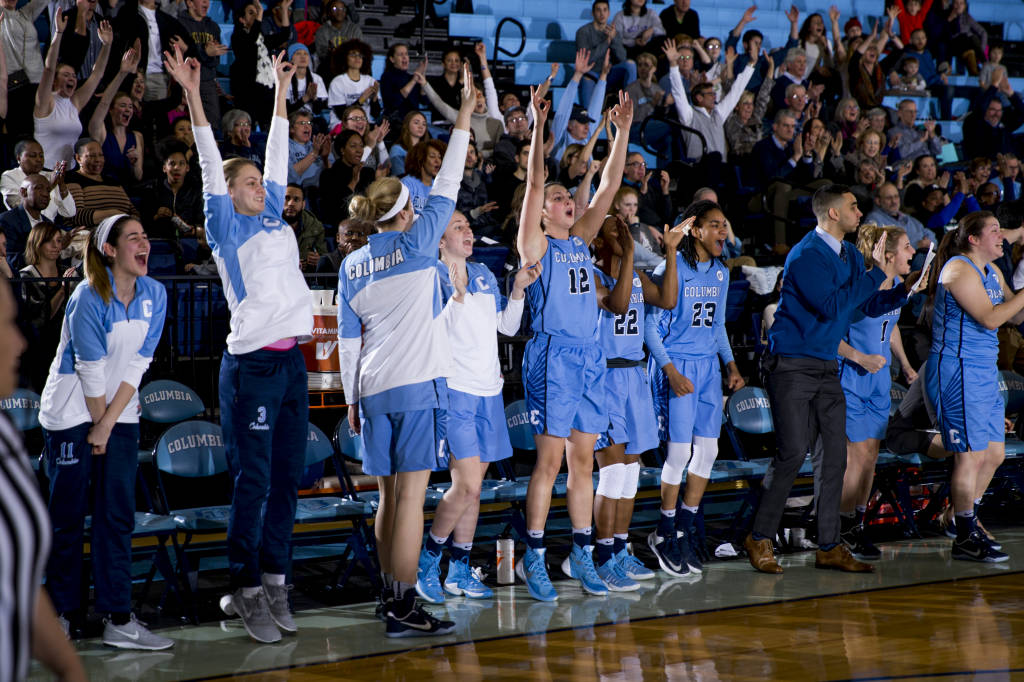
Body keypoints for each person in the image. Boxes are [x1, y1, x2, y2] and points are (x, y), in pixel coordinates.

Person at [165, 45, 313, 643]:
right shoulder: (226, 223)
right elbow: (208, 162)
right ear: (231, 194)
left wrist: (281, 92)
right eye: (249, 182)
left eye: (260, 181)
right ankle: (246, 588)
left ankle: (275, 581)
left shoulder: (275, 213)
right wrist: (195, 96)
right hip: (251, 367)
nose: (261, 186)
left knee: (287, 479)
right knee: (252, 484)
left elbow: (277, 156)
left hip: (292, 366)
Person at [337, 64, 475, 637]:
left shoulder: (351, 263)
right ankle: (402, 606)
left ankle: (386, 599)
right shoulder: (420, 241)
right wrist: (464, 114)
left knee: (389, 500)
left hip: (369, 390)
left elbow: (349, 338)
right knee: (412, 500)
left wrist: (349, 398)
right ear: (406, 213)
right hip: (415, 386)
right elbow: (450, 180)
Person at [745, 184, 921, 574]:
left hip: (825, 364)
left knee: (835, 458)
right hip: (791, 365)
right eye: (854, 207)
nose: (862, 213)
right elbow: (832, 307)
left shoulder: (848, 255)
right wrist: (877, 272)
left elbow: (858, 310)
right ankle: (759, 538)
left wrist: (902, 291)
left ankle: (828, 544)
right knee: (792, 454)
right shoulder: (807, 254)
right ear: (833, 214)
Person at [515, 86, 634, 602]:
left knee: (583, 462)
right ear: (543, 211)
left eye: (569, 198)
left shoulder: (581, 242)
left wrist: (622, 131)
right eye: (559, 199)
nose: (568, 202)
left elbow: (607, 189)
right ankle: (534, 556)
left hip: (589, 358)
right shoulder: (535, 242)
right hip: (552, 357)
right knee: (548, 463)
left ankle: (582, 552)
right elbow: (537, 180)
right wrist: (540, 125)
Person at [37, 213, 170, 649]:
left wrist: (108, 427)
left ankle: (118, 618)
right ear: (109, 250)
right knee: (67, 520)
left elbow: (137, 366)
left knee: (117, 517)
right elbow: (90, 371)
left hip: (117, 414)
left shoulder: (156, 293)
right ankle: (61, 616)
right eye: (133, 237)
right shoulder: (87, 297)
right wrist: (98, 427)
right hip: (72, 410)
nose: (144, 243)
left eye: (145, 236)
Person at [413, 211, 539, 604]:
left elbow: (505, 328)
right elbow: (430, 334)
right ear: (439, 239)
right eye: (458, 228)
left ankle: (459, 569)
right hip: (454, 392)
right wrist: (456, 297)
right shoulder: (429, 277)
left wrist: (517, 290)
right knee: (464, 485)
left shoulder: (484, 272)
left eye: (468, 227)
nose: (468, 232)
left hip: (489, 392)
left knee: (474, 490)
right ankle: (427, 560)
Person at [646, 201, 744, 577]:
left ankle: (685, 527)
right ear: (696, 231)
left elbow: (718, 325)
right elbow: (650, 328)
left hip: (706, 368)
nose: (722, 232)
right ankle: (665, 530)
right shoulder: (669, 268)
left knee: (708, 450)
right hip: (677, 366)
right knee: (678, 453)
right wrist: (669, 370)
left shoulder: (720, 272)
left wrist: (731, 365)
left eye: (725, 224)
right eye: (715, 225)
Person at [0, 277, 87, 681]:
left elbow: (17, 579)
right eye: (4, 325)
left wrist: (69, 670)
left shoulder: (6, 435)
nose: (19, 342)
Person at [925, 211, 1024, 561]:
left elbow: (1014, 314)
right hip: (958, 370)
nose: (1003, 236)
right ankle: (965, 536)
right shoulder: (958, 269)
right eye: (995, 230)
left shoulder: (991, 270)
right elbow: (990, 317)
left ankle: (960, 518)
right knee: (970, 456)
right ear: (973, 238)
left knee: (995, 453)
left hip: (985, 371)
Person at [591, 213, 683, 589]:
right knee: (612, 472)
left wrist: (672, 253)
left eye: (626, 229)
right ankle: (600, 555)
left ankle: (619, 549)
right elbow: (617, 301)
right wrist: (629, 254)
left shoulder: (639, 277)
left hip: (634, 375)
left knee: (631, 473)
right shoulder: (593, 278)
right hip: (606, 376)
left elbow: (670, 299)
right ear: (598, 240)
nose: (624, 233)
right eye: (615, 230)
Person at [837, 224, 917, 560]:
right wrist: (859, 357)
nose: (913, 253)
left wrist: (906, 364)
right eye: (907, 247)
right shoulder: (858, 287)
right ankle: (840, 530)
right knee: (854, 459)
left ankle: (858, 524)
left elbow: (892, 324)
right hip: (852, 377)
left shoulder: (897, 286)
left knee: (870, 459)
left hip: (880, 379)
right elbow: (829, 335)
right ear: (888, 254)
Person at [34, 9, 113, 169]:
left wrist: (106, 46)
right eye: (66, 75)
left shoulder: (74, 102)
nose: (71, 78)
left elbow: (97, 75)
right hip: (45, 171)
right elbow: (49, 68)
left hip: (68, 173)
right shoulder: (45, 102)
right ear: (55, 81)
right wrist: (58, 32)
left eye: (73, 76)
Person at [19, 221, 73, 392]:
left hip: (64, 346)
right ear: (38, 243)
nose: (56, 246)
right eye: (50, 241)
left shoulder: (67, 271)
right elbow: (40, 318)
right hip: (38, 349)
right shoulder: (27, 275)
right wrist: (63, 290)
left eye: (58, 241)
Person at [88, 46, 145, 188]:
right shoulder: (101, 132)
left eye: (130, 107)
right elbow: (104, 103)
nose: (128, 109)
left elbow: (138, 176)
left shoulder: (137, 137)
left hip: (128, 192)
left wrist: (135, 164)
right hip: (104, 191)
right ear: (111, 110)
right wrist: (122, 73)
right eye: (123, 105)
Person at [1, 140, 75, 218]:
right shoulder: (9, 176)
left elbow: (69, 213)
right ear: (19, 158)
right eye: (33, 155)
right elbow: (19, 207)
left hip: (49, 227)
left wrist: (61, 184)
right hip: (24, 227)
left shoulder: (50, 176)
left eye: (41, 156)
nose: (39, 160)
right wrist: (50, 186)